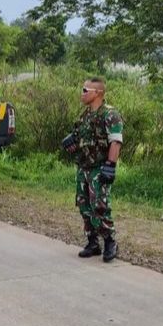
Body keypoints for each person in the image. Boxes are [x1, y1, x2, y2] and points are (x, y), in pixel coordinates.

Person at [62, 77, 123, 262]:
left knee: (100, 205)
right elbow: (79, 134)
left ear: (97, 93)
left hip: (99, 168)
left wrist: (110, 166)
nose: (82, 94)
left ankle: (110, 240)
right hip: (84, 167)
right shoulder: (85, 115)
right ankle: (92, 242)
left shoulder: (110, 114)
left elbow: (116, 141)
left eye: (85, 90)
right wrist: (70, 139)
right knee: (83, 204)